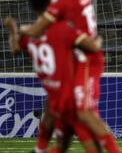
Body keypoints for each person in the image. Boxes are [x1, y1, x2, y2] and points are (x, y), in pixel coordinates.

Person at [20, 0, 120, 152]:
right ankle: (41, 149)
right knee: (60, 106)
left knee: (82, 112)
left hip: (85, 58)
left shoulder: (63, 0)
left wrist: (21, 31)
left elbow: (37, 29)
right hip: (80, 54)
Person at [4, 15, 102, 153]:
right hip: (68, 100)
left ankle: (40, 148)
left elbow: (15, 48)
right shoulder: (62, 38)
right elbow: (92, 47)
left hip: (56, 97)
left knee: (62, 141)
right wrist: (96, 41)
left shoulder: (34, 43)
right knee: (92, 143)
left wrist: (14, 29)